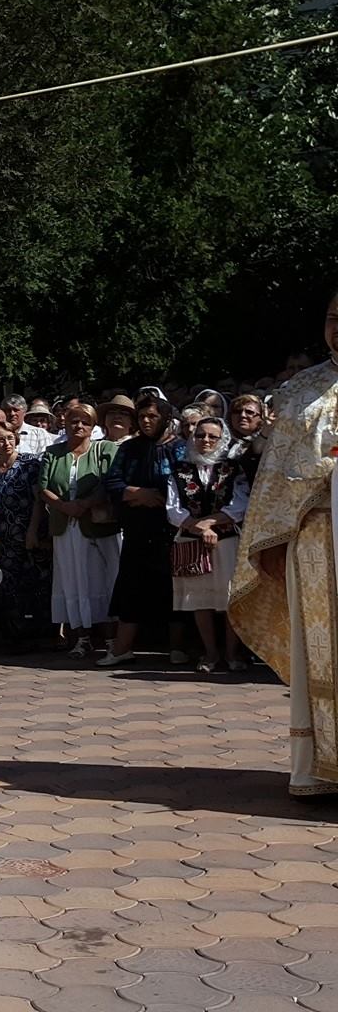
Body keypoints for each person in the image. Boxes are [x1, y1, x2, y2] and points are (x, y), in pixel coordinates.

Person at [236, 290, 338, 795]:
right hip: (316, 539)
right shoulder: (302, 389)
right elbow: (277, 474)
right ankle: (320, 769)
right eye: (332, 318)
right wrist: (271, 542)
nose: (337, 327)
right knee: (320, 652)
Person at [39, 404, 122, 660]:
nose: (79, 426)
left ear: (94, 425)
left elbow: (109, 481)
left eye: (85, 422)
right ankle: (81, 639)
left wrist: (84, 504)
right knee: (72, 581)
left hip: (97, 526)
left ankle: (110, 640)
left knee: (104, 580)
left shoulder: (105, 449)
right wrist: (64, 506)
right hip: (66, 527)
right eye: (74, 421)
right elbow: (43, 486)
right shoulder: (53, 453)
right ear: (65, 423)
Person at [98, 397, 176, 667]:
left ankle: (177, 647)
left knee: (172, 587)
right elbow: (113, 482)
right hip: (137, 529)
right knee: (131, 587)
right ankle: (122, 648)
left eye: (152, 416)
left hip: (169, 530)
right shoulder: (130, 448)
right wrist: (137, 494)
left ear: (164, 418)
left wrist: (159, 497)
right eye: (142, 416)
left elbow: (181, 484)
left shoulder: (177, 449)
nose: (145, 421)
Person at [168, 417, 249, 673]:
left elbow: (240, 505)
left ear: (221, 439)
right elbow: (173, 509)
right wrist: (199, 527)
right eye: (201, 435)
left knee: (229, 600)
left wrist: (210, 524)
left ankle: (232, 654)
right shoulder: (180, 469)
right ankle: (210, 654)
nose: (206, 441)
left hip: (226, 542)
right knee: (199, 601)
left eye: (212, 437)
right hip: (191, 543)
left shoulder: (233, 469)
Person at [0, 421, 48, 650]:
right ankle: (13, 636)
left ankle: (43, 635)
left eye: (10, 437)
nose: (6, 443)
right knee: (8, 587)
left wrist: (32, 530)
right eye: (0, 439)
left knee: (38, 583)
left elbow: (39, 500)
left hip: (30, 533)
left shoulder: (29, 464)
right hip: (2, 538)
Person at [227, 392, 267, 479]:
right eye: (237, 411)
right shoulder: (225, 444)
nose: (242, 415)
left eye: (249, 412)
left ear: (262, 416)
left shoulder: (269, 443)